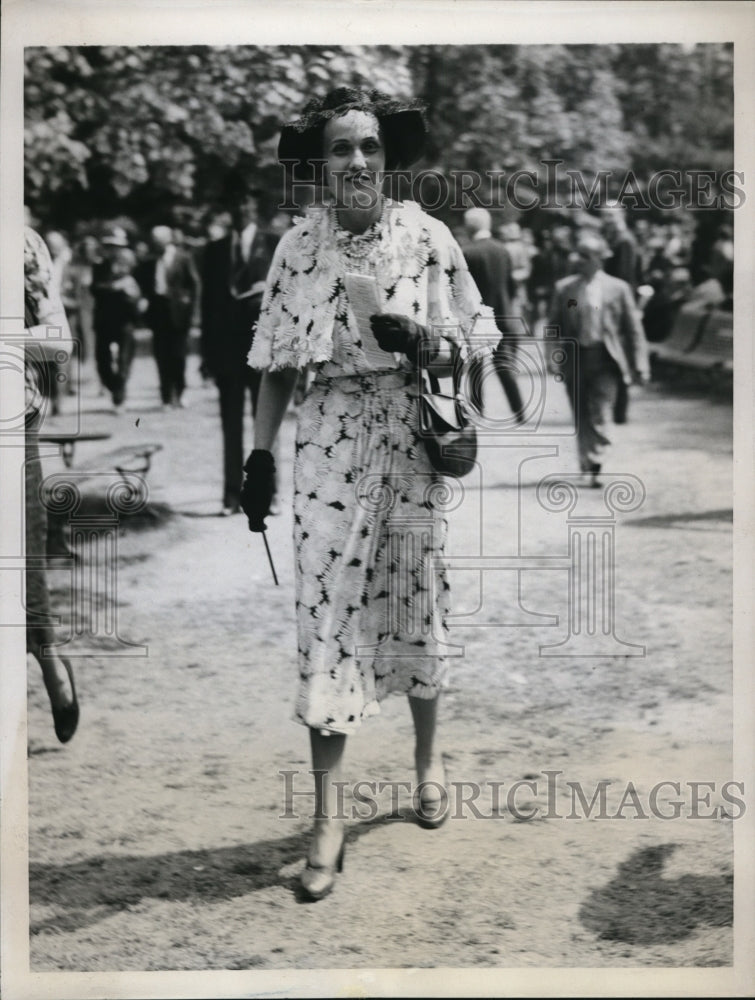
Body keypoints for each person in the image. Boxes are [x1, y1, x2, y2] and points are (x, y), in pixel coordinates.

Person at [240, 87, 500, 901]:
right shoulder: (296, 249)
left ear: (388, 160)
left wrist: (426, 341)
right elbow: (278, 362)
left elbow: (477, 338)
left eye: (370, 149)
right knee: (325, 615)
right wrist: (257, 456)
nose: (357, 162)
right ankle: (328, 818)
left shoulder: (427, 237)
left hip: (410, 440)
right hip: (325, 445)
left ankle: (428, 760)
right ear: (320, 165)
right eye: (342, 148)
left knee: (416, 599)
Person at [24, 226, 80, 743]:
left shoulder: (21, 245)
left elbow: (58, 345)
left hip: (9, 427)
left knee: (22, 563)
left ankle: (50, 662)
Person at [200, 184, 279, 515]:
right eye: (235, 204)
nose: (241, 210)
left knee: (264, 427)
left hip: (262, 349)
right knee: (230, 428)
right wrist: (206, 355)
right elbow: (207, 305)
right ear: (228, 211)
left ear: (255, 208)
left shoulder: (274, 244)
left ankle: (268, 494)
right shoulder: (214, 250)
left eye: (247, 203)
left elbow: (287, 298)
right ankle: (231, 496)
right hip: (226, 353)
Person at [549, 231, 649, 487]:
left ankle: (595, 460)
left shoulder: (618, 288)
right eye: (577, 254)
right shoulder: (566, 289)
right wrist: (552, 356)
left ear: (598, 259)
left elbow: (633, 329)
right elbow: (554, 327)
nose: (577, 259)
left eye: (584, 255)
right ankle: (587, 459)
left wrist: (640, 364)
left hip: (606, 359)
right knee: (581, 411)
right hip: (576, 358)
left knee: (601, 410)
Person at [461, 207, 525, 422]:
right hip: (503, 314)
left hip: (478, 317)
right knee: (503, 365)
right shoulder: (502, 249)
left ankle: (478, 410)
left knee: (476, 366)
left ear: (469, 226)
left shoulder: (467, 252)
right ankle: (519, 411)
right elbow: (511, 285)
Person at [144, 225, 199, 409]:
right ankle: (166, 397)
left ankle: (180, 391)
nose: (155, 243)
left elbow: (194, 284)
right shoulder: (150, 261)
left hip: (179, 314)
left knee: (178, 356)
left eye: (158, 240)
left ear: (167, 239)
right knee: (161, 356)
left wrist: (192, 310)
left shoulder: (183, 258)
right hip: (158, 313)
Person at [91, 231, 144, 413]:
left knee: (124, 361)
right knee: (102, 361)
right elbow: (95, 289)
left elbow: (140, 291)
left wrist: (133, 295)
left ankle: (119, 398)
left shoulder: (131, 266)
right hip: (104, 319)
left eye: (116, 246)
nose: (113, 250)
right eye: (110, 246)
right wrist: (115, 287)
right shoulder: (99, 267)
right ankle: (113, 386)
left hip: (125, 320)